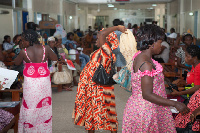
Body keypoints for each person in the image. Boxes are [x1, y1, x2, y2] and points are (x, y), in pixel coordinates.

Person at [122, 24, 189, 132]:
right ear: (151, 43)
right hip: (145, 110)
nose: (161, 45)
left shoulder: (140, 55)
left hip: (143, 106)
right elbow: (147, 94)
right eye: (160, 42)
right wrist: (175, 103)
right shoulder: (146, 64)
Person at [72, 25, 126, 133]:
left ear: (106, 40)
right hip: (92, 85)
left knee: (102, 111)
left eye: (99, 38)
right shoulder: (103, 51)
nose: (97, 39)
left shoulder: (106, 49)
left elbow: (102, 33)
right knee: (98, 111)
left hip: (96, 86)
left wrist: (117, 27)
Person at [15, 29, 58, 132]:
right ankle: (43, 128)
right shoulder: (46, 48)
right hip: (43, 81)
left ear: (29, 40)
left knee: (30, 104)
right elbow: (55, 58)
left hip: (30, 82)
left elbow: (16, 63)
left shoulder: (23, 51)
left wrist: (21, 51)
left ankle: (30, 128)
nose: (22, 42)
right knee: (44, 103)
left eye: (23, 40)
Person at [171, 45, 200, 132]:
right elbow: (192, 81)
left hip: (196, 98)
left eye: (187, 56)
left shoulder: (198, 67)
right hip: (191, 94)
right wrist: (182, 81)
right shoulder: (194, 66)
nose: (185, 58)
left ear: (194, 58)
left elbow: (196, 87)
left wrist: (179, 93)